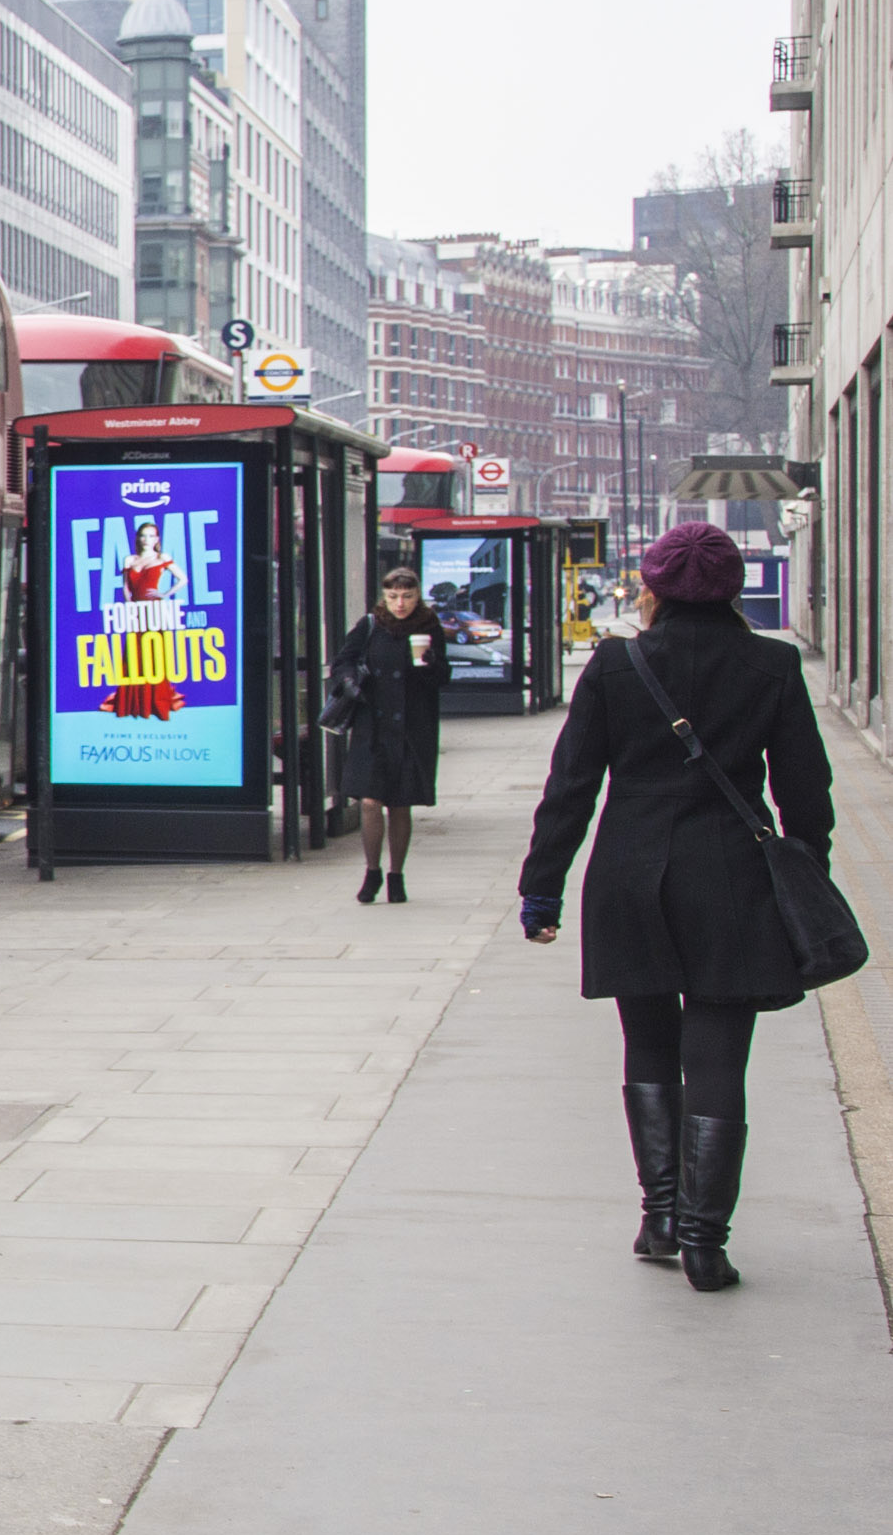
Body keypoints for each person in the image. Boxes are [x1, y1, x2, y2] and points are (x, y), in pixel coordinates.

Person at [518, 521, 831, 1290]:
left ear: (652, 587)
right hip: (731, 876)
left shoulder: (616, 665)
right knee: (720, 1054)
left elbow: (571, 786)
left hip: (629, 871)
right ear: (733, 590)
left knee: (649, 1043)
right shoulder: (772, 664)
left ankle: (660, 1215)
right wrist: (809, 879)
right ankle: (704, 1243)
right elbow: (804, 793)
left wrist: (542, 886)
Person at [332, 570, 456, 902]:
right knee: (370, 802)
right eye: (393, 597)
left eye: (407, 597)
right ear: (384, 597)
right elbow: (342, 662)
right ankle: (372, 872)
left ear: (418, 597)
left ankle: (396, 875)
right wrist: (349, 683)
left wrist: (430, 664)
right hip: (373, 725)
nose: (400, 604)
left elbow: (443, 675)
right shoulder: (371, 625)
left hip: (412, 728)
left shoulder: (429, 627)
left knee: (401, 805)